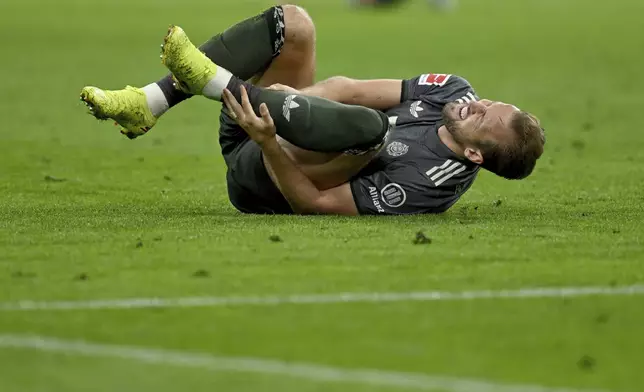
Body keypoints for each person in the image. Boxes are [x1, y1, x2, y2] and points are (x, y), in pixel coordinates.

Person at [80, 5, 545, 216]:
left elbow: (315, 202)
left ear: (477, 157)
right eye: (489, 103)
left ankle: (214, 82)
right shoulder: (456, 93)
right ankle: (149, 103)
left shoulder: (428, 186)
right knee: (295, 23)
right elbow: (348, 88)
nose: (475, 106)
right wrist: (283, 98)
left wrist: (267, 142)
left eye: (484, 118)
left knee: (373, 131)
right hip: (276, 117)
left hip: (264, 177)